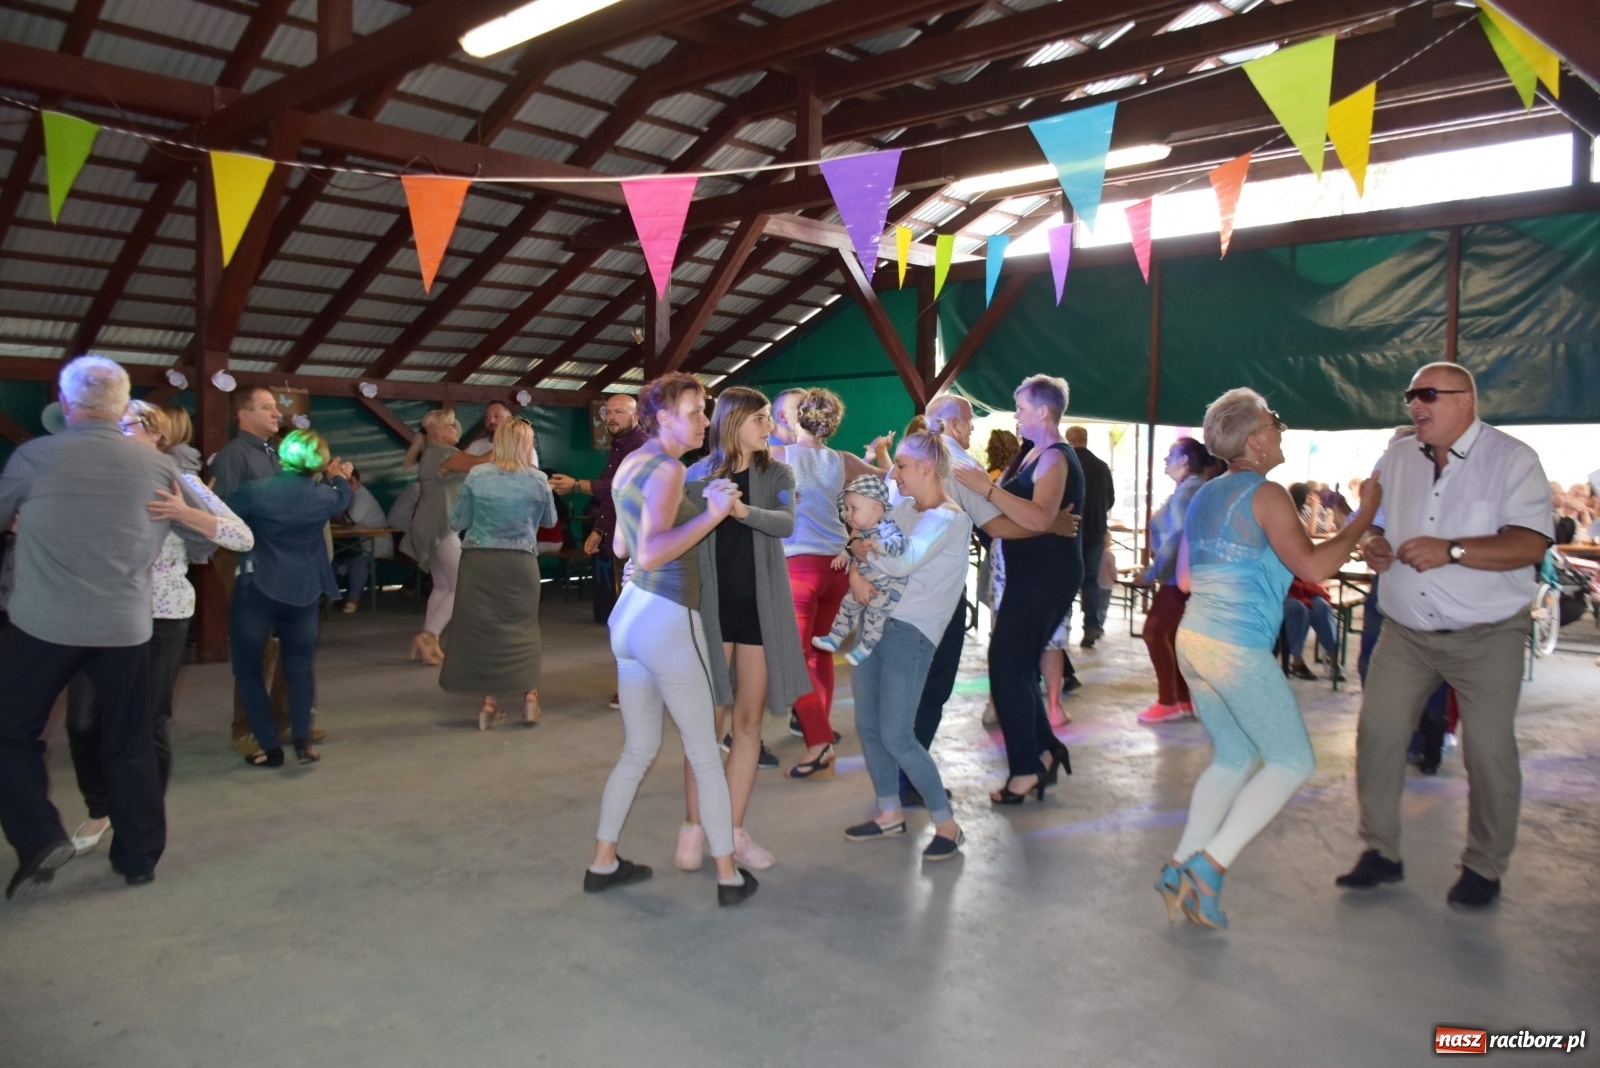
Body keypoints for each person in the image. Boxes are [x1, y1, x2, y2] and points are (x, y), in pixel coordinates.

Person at [1156, 389, 1381, 930]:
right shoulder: (1266, 492)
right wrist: (1363, 515)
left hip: (1195, 638)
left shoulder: (1207, 494)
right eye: (1275, 421)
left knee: (1234, 757)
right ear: (1255, 440)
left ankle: (1180, 868)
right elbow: (1315, 567)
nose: (1281, 429)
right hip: (1233, 645)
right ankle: (1209, 868)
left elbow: (1187, 577)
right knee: (1292, 761)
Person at [1336, 362, 1552, 909]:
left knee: (1488, 751)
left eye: (1428, 394)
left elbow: (1529, 544)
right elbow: (1377, 523)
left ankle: (1485, 864)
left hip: (1488, 634)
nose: (1415, 405)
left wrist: (1453, 549)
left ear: (1466, 400)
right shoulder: (1397, 456)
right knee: (1379, 735)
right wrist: (1374, 545)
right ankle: (1381, 850)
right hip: (1406, 632)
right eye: (1411, 395)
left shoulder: (1513, 460)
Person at [0, 356, 213, 896]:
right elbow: (205, 544)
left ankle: (39, 835)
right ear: (122, 407)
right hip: (125, 627)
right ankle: (138, 858)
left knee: (11, 734)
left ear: (67, 404)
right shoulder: (160, 469)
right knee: (131, 739)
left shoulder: (35, 457)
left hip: (43, 625)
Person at [586, 373, 756, 906]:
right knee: (706, 751)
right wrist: (712, 514)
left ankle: (603, 862)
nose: (705, 420)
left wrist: (691, 511)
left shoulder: (632, 465)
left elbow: (621, 546)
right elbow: (655, 553)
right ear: (663, 418)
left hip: (630, 620)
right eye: (695, 411)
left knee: (638, 749)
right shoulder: (666, 468)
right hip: (666, 617)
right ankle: (728, 877)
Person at [65, 401, 254, 857]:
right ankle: (102, 805)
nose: (119, 435)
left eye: (128, 427)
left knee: (147, 722)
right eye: (113, 427)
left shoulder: (180, 482)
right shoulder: (91, 482)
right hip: (98, 616)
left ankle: (139, 825)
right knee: (83, 721)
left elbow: (241, 537)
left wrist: (184, 513)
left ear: (157, 435)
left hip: (161, 615)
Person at [909, 393, 1080, 808]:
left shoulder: (1048, 456)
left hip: (1032, 577)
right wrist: (1048, 525)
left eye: (1020, 408)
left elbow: (1003, 518)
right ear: (950, 425)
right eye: (968, 422)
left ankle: (1031, 761)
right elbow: (1000, 525)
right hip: (952, 584)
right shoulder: (956, 461)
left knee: (1008, 669)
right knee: (1000, 671)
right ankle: (1034, 755)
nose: (973, 430)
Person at [678, 387, 809, 872]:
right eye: (759, 419)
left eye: (768, 420)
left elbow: (786, 523)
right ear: (732, 422)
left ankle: (731, 832)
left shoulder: (777, 472)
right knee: (704, 728)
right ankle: (694, 827)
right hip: (710, 612)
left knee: (747, 725)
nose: (769, 427)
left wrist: (740, 511)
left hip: (759, 611)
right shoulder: (695, 474)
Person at [841, 432, 971, 861]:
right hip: (873, 624)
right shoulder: (903, 508)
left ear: (927, 468)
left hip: (910, 633)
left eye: (900, 465)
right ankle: (887, 812)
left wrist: (862, 549)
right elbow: (858, 536)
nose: (892, 472)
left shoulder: (949, 519)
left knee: (898, 734)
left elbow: (898, 560)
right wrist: (857, 569)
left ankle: (947, 825)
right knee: (870, 725)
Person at [771, 388, 892, 777]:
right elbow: (889, 480)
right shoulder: (843, 460)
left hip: (799, 569)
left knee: (794, 656)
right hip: (837, 568)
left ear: (795, 418)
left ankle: (819, 741)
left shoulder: (778, 456)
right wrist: (883, 453)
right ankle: (818, 730)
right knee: (819, 653)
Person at [229, 430, 353, 767]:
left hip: (258, 588)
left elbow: (223, 518)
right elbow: (343, 497)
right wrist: (337, 478)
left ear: (282, 456)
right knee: (299, 668)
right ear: (319, 462)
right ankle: (302, 741)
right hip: (304, 591)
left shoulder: (255, 491)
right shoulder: (324, 497)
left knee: (248, 668)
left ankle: (269, 747)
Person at [440, 417, 557, 730]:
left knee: (484, 631)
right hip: (521, 562)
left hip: (479, 561)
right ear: (527, 444)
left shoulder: (477, 475)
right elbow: (549, 520)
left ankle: (489, 705)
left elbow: (458, 519)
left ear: (498, 442)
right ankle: (530, 700)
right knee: (524, 628)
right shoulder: (538, 479)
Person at [212, 385, 299, 757]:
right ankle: (245, 729)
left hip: (277, 556)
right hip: (244, 558)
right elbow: (228, 515)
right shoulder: (233, 456)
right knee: (256, 648)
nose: (277, 413)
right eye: (267, 408)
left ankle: (282, 722)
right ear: (243, 414)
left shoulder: (275, 452)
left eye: (276, 407)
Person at [550, 394, 647, 628]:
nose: (611, 418)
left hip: (638, 541)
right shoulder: (618, 445)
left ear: (635, 416)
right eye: (608, 412)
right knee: (625, 608)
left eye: (619, 412)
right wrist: (599, 530)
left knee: (635, 609)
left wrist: (575, 485)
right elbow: (611, 496)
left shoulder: (639, 445)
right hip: (622, 539)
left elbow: (618, 488)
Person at [1138, 437, 1210, 724]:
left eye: (1171, 455)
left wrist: (1153, 572)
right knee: (1171, 636)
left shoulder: (1188, 491)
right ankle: (1183, 700)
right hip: (1189, 576)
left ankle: (1168, 700)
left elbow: (1176, 537)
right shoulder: (1195, 489)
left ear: (1184, 460)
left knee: (1154, 632)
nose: (1166, 460)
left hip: (1180, 578)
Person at [813, 475, 907, 665]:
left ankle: (866, 647)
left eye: (853, 508)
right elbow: (852, 549)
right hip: (867, 579)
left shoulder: (886, 527)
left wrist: (879, 546)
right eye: (846, 509)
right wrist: (843, 556)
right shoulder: (862, 531)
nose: (847, 514)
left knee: (875, 616)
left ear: (876, 509)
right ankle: (834, 638)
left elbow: (899, 544)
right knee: (847, 605)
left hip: (887, 587)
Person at [401, 408, 467, 666]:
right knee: (462, 585)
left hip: (429, 525)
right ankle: (428, 635)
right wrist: (509, 440)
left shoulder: (432, 453)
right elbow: (482, 462)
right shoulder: (445, 454)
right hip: (440, 527)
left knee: (442, 586)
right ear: (439, 432)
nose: (456, 430)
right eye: (452, 426)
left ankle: (430, 643)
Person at [1066, 425, 1115, 649]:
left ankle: (1061, 623)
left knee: (1065, 578)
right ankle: (1091, 625)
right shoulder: (1102, 466)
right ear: (1085, 440)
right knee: (1090, 580)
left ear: (1069, 440)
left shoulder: (1065, 463)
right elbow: (1110, 499)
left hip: (1069, 528)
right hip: (1096, 530)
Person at [332, 467, 390, 613]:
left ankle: (353, 599)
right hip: (356, 542)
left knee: (358, 559)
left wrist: (339, 518)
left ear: (359, 482)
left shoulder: (361, 496)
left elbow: (351, 519)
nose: (348, 486)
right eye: (344, 482)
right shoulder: (348, 496)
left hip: (375, 542)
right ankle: (330, 596)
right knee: (331, 558)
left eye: (351, 482)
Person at [1282, 578, 1339, 681]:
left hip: (1305, 586)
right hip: (1281, 589)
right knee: (1298, 609)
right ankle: (1297, 662)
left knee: (1323, 608)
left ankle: (1334, 661)